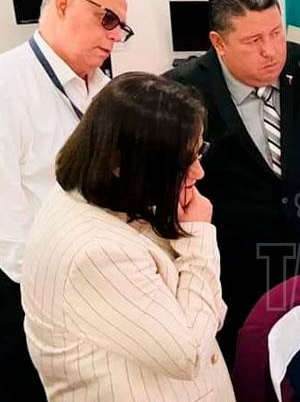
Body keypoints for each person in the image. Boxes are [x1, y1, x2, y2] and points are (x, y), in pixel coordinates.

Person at [165, 0, 300, 364]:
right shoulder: (183, 90)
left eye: (276, 33)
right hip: (238, 263)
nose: (271, 51)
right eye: (253, 41)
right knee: (250, 363)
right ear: (218, 42)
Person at [20, 73, 234, 401]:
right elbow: (191, 353)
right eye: (183, 161)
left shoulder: (105, 194)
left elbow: (213, 313)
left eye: (198, 152)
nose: (199, 172)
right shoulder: (96, 253)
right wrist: (198, 237)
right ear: (125, 164)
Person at [0, 0, 130, 401]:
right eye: (108, 19)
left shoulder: (107, 92)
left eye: (122, 28)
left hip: (105, 282)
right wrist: (50, 290)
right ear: (62, 5)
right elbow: (6, 215)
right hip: (35, 293)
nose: (115, 36)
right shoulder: (8, 84)